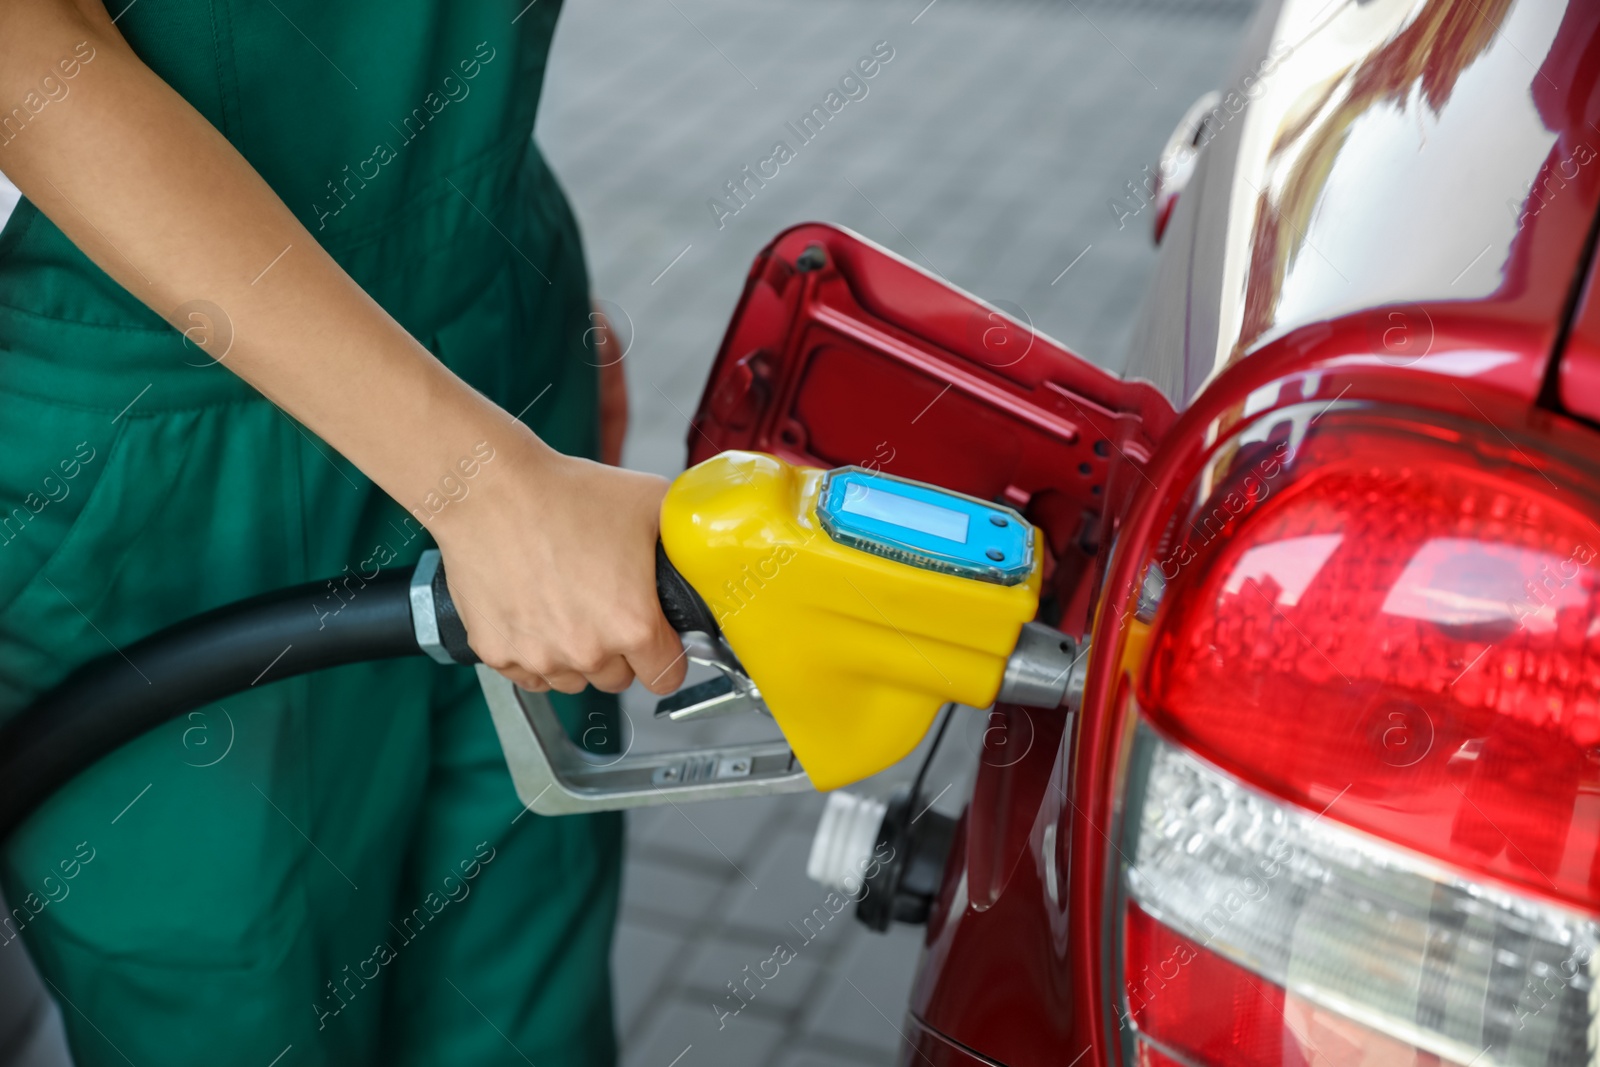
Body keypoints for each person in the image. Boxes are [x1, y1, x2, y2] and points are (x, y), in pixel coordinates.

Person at [0, 1, 689, 1064]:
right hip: (163, 434)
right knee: (242, 1000)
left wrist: (509, 275)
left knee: (520, 983)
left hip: (495, 325)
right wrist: (480, 482)